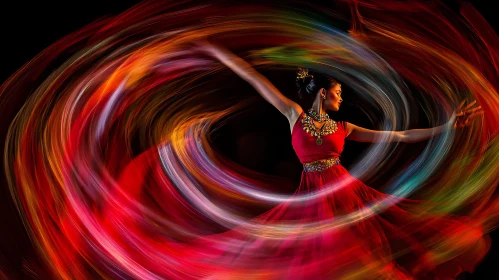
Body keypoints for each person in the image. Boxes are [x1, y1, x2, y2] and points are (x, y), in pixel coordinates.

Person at [189, 41, 489, 279]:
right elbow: (253, 78)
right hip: (313, 195)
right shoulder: (295, 114)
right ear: (323, 93)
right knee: (310, 256)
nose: (341, 99)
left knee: (360, 255)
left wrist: (444, 127)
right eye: (338, 93)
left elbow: (398, 136)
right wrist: (217, 51)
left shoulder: (344, 128)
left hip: (344, 192)